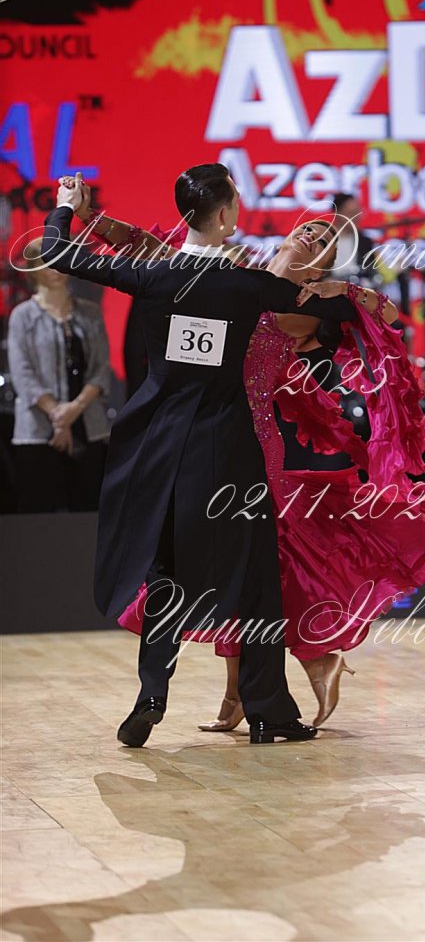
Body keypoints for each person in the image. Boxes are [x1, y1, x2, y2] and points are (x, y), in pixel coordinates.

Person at [74, 193, 425, 729]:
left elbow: (387, 316)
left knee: (249, 568)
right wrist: (90, 218)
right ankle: (271, 680)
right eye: (311, 228)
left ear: (323, 265)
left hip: (249, 444)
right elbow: (152, 249)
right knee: (244, 567)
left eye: (325, 243)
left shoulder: (300, 308)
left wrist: (345, 289)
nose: (313, 236)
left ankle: (261, 684)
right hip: (197, 439)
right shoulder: (237, 272)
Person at [37, 166, 361, 749]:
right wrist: (357, 298)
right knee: (254, 577)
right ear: (226, 215)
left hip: (163, 448)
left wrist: (65, 204)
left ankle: (151, 696)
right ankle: (267, 711)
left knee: (165, 574)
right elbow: (335, 311)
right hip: (229, 449)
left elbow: (58, 252)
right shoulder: (246, 286)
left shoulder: (153, 276)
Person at [8, 238, 110, 512]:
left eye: (59, 261)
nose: (55, 269)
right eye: (46, 263)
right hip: (38, 429)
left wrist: (74, 409)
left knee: (88, 509)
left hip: (88, 423)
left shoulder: (90, 312)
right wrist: (58, 416)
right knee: (38, 511)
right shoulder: (22, 316)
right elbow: (22, 373)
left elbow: (101, 368)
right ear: (33, 269)